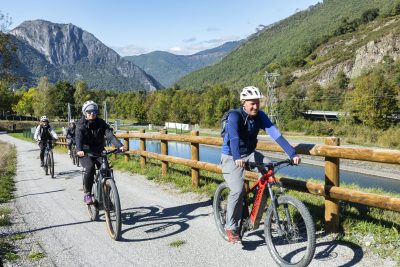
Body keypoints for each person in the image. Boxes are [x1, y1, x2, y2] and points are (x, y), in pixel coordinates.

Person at [221, 86, 301, 244]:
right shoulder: (234, 116)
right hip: (231, 155)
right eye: (252, 103)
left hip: (250, 153)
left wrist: (292, 154)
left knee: (269, 168)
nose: (255, 106)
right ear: (244, 103)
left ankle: (257, 204)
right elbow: (235, 138)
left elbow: (275, 134)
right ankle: (231, 227)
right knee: (237, 191)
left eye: (257, 103)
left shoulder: (260, 116)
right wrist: (237, 157)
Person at [75, 100, 127, 205]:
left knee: (107, 171)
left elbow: (109, 136)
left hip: (99, 150)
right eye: (89, 111)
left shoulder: (101, 123)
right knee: (89, 168)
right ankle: (88, 194)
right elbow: (78, 138)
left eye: (94, 111)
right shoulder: (80, 125)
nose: (92, 113)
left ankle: (106, 196)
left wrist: (120, 146)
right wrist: (79, 150)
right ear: (85, 113)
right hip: (85, 152)